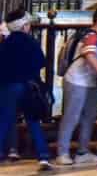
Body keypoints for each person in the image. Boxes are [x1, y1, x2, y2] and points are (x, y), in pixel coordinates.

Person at [56, 7, 97, 166]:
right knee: (71, 117)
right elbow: (89, 54)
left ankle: (82, 152)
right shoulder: (90, 35)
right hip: (76, 81)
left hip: (89, 83)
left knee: (89, 117)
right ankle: (62, 153)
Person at [0, 9, 52, 170]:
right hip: (29, 86)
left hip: (8, 86)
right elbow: (41, 62)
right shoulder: (31, 42)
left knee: (5, 120)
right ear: (23, 26)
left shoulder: (5, 44)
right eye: (28, 24)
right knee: (33, 121)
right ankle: (43, 157)